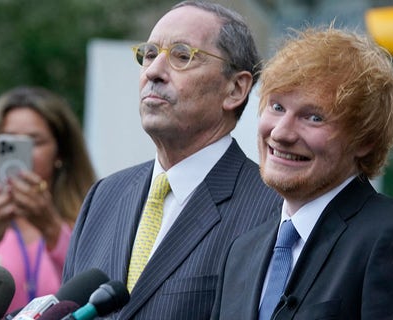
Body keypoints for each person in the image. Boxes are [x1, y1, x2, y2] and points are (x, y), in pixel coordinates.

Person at [62, 1, 281, 318]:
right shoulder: (103, 197)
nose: (153, 71)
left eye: (182, 56)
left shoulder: (270, 207)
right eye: (150, 54)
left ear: (235, 88)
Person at [212, 26, 393, 319]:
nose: (280, 132)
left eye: (313, 117)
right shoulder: (242, 251)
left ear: (364, 140)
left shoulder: (392, 237)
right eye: (276, 107)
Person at [0, 86, 97, 313]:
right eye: (9, 142)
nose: (23, 155)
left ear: (60, 152)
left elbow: (96, 292)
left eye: (35, 141)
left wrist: (53, 231)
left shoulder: (90, 215)